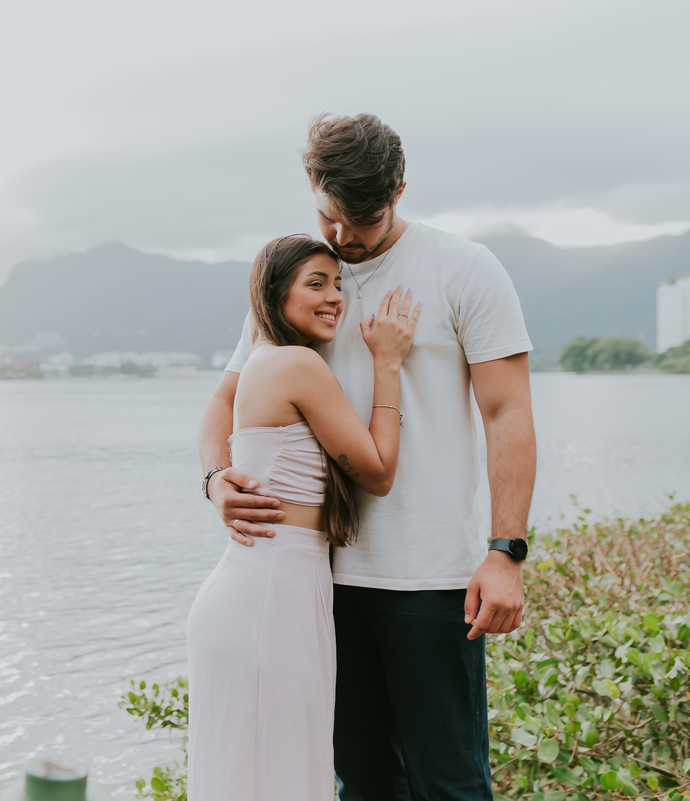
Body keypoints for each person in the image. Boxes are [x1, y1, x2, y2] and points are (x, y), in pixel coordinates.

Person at [198, 113, 536, 800]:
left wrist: (505, 551)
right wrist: (214, 477)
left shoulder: (465, 268)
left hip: (429, 579)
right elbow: (225, 401)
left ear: (399, 191)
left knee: (450, 783)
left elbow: (507, 412)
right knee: (363, 785)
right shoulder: (302, 280)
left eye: (363, 220)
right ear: (312, 187)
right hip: (320, 582)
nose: (344, 236)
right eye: (329, 215)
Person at [186, 235, 420, 800]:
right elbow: (378, 472)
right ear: (274, 293)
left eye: (337, 284)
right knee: (281, 777)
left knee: (258, 777)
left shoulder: (269, 361)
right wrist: (387, 363)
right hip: (269, 596)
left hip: (273, 587)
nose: (335, 297)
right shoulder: (295, 364)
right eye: (316, 284)